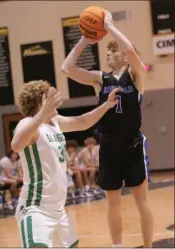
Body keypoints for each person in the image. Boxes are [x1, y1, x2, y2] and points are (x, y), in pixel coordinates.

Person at [61, 9, 153, 248]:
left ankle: (149, 246)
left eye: (113, 52)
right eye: (108, 51)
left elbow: (132, 52)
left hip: (133, 143)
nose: (109, 55)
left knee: (142, 202)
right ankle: (117, 246)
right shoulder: (100, 79)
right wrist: (84, 39)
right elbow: (67, 69)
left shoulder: (136, 76)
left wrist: (110, 26)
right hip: (109, 145)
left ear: (124, 56)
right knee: (113, 203)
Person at [11, 80, 119, 248]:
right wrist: (41, 114)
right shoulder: (28, 123)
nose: (56, 99)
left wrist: (106, 105)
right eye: (50, 96)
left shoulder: (55, 122)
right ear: (40, 102)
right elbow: (16, 144)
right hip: (36, 208)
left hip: (58, 210)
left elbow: (82, 121)